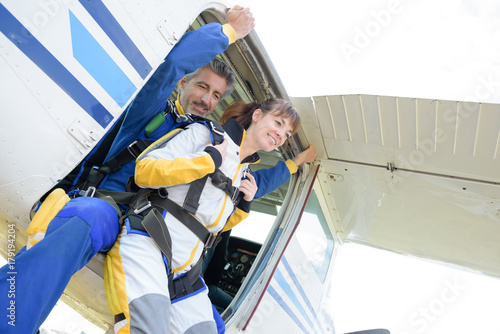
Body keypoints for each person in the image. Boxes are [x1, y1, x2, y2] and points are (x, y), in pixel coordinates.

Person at [0, 7, 255, 334]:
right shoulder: (153, 112)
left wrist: (278, 171)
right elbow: (172, 64)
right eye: (202, 87)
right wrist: (228, 32)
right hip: (111, 209)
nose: (207, 100)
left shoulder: (203, 140)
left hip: (152, 238)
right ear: (183, 83)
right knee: (83, 218)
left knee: (212, 326)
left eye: (217, 95)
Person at [105, 98, 302, 334]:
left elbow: (212, 226)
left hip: (186, 273)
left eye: (287, 134)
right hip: (150, 242)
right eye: (278, 123)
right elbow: (144, 171)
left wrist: (244, 206)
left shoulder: (244, 174)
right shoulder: (206, 134)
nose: (281, 134)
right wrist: (207, 160)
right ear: (257, 116)